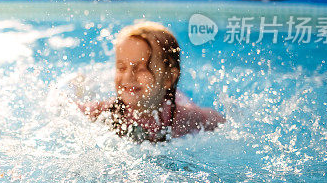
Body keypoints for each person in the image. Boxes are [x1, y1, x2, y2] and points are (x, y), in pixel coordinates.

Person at [80, 21, 224, 142]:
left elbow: (218, 120)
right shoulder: (104, 113)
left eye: (141, 69)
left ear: (169, 78)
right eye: (121, 68)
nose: (128, 77)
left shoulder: (183, 118)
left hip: (173, 97)